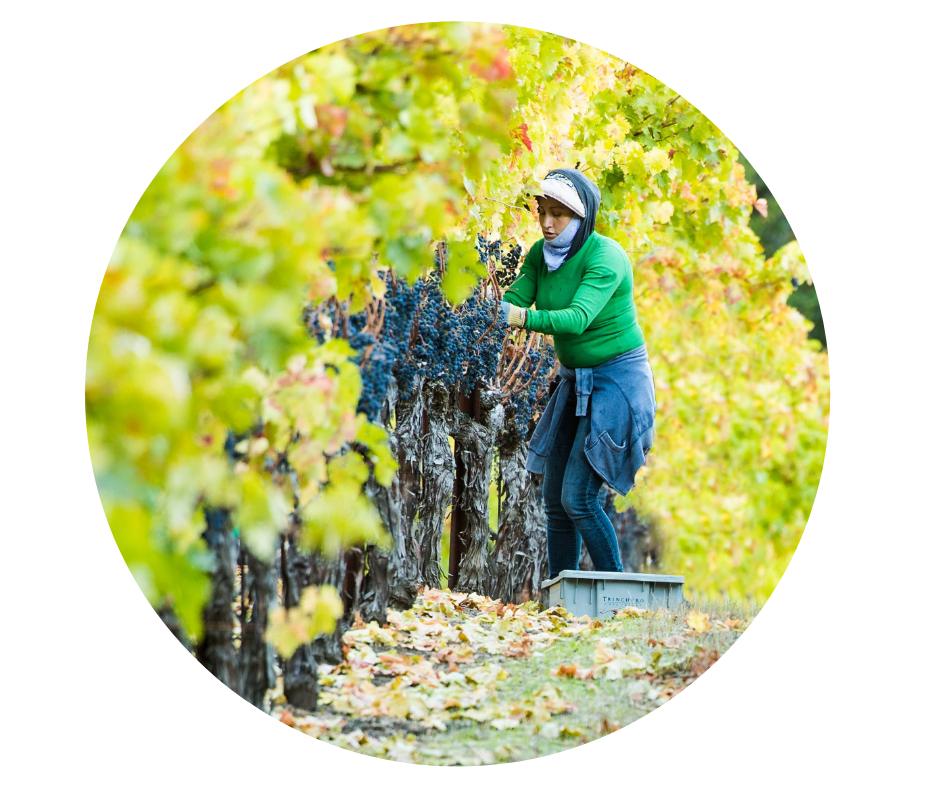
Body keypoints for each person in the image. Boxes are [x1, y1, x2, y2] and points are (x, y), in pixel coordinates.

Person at [498, 168, 656, 578]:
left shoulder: (606, 257)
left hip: (617, 381)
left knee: (579, 498)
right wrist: (491, 304)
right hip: (574, 379)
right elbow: (516, 296)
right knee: (554, 498)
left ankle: (619, 597)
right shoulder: (540, 254)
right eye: (542, 212)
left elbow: (577, 318)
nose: (547, 223)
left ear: (581, 218)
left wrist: (517, 317)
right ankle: (561, 602)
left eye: (559, 214)